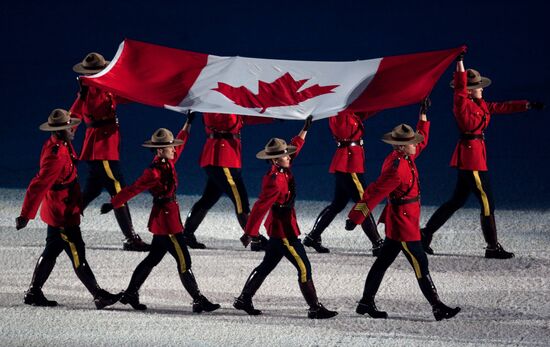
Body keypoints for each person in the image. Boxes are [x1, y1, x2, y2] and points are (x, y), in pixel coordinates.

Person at [421, 52, 545, 259]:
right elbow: (459, 88)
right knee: (487, 202)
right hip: (471, 160)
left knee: (456, 201)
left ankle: (425, 233)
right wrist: (459, 62)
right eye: (477, 86)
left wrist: (527, 105)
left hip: (474, 156)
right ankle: (492, 246)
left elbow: (501, 107)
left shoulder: (480, 105)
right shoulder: (462, 104)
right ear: (469, 90)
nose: (481, 88)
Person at [345, 100, 461, 321]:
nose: (416, 144)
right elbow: (373, 193)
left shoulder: (405, 156)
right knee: (420, 262)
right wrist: (356, 217)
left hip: (404, 220)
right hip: (403, 224)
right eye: (411, 142)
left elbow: (423, 141)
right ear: (400, 146)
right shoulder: (397, 169)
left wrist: (423, 117)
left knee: (382, 263)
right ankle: (437, 306)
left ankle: (366, 301)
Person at [100, 114, 220, 313]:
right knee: (184, 260)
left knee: (152, 259)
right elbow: (134, 189)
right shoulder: (154, 172)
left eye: (173, 146)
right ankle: (198, 299)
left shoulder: (167, 162)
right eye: (170, 146)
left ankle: (130, 293)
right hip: (167, 223)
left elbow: (180, 145)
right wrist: (113, 203)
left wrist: (188, 124)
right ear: (160, 150)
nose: (174, 149)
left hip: (167, 218)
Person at [16, 108, 121, 309]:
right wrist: (25, 215)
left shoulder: (60, 143)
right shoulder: (56, 155)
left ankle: (33, 291)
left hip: (63, 206)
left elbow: (78, 117)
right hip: (62, 213)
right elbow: (38, 184)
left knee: (52, 249)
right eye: (70, 127)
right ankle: (98, 295)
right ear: (61, 131)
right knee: (77, 252)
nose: (74, 129)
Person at [233, 116, 338, 319]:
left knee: (266, 266)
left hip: (280, 229)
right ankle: (314, 307)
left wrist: (304, 130)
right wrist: (250, 232)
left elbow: (294, 150)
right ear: (274, 160)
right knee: (303, 267)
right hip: (284, 232)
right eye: (284, 155)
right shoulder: (276, 180)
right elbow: (260, 206)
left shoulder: (282, 170)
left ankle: (244, 298)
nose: (289, 157)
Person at [70, 52, 149, 251]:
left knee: (92, 190)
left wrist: (142, 85)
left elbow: (125, 95)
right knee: (119, 191)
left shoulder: (101, 88)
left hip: (105, 147)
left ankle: (64, 223)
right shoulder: (90, 91)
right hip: (101, 150)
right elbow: (76, 114)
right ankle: (131, 238)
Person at [182, 112, 269, 251]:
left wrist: (273, 114)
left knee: (208, 199)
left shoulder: (228, 104)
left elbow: (245, 117)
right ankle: (256, 238)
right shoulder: (215, 105)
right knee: (240, 200)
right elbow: (221, 119)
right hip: (221, 159)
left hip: (225, 158)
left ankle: (187, 235)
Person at [304, 111, 383, 255]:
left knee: (338, 204)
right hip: (349, 163)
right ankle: (377, 243)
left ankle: (313, 236)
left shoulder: (349, 112)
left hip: (349, 162)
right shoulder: (338, 112)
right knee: (364, 202)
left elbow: (364, 112)